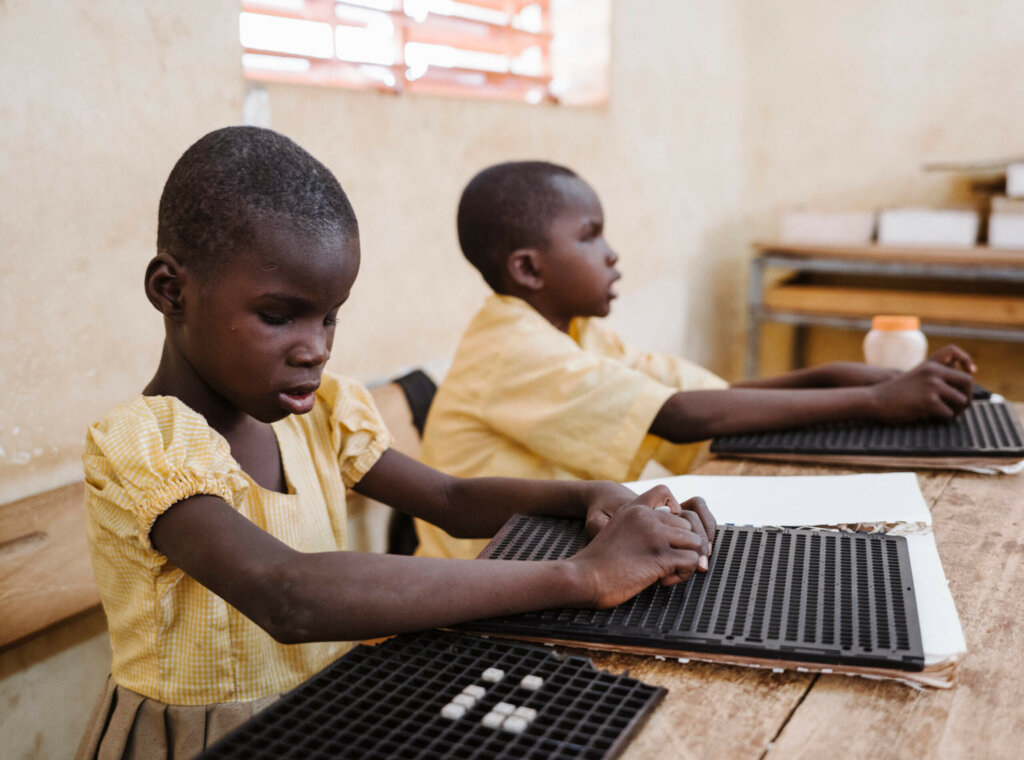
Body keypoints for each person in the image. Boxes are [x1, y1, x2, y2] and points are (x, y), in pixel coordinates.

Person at [76, 129, 715, 760]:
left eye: (329, 316)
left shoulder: (317, 415)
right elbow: (286, 593)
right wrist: (582, 576)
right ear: (171, 291)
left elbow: (448, 496)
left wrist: (589, 496)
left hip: (325, 709)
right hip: (209, 740)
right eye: (279, 316)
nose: (315, 348)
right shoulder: (144, 445)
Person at [416, 160, 975, 560]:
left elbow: (704, 398)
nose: (612, 254)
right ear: (529, 270)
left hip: (546, 556)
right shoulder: (515, 349)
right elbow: (679, 417)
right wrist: (875, 400)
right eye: (591, 236)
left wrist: (840, 376)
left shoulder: (576, 334)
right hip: (481, 579)